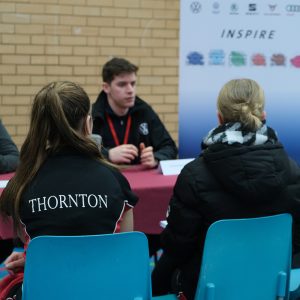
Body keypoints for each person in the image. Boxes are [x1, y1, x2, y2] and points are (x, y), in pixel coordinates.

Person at [151, 78, 300, 299]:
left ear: (219, 118)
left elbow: (177, 246)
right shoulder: (291, 169)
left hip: (207, 288)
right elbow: (294, 241)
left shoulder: (194, 175)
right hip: (270, 286)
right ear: (263, 115)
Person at [0, 81, 138, 300]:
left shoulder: (21, 185)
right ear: (88, 124)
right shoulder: (115, 179)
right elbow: (124, 251)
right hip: (105, 291)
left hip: (45, 291)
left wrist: (36, 258)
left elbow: (51, 241)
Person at [92, 57, 178, 169]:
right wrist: (108, 155)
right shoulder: (93, 116)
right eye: (122, 84)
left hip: (140, 181)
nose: (130, 90)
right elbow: (79, 153)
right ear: (106, 87)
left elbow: (170, 147)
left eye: (133, 83)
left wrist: (156, 158)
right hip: (107, 180)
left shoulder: (144, 111)